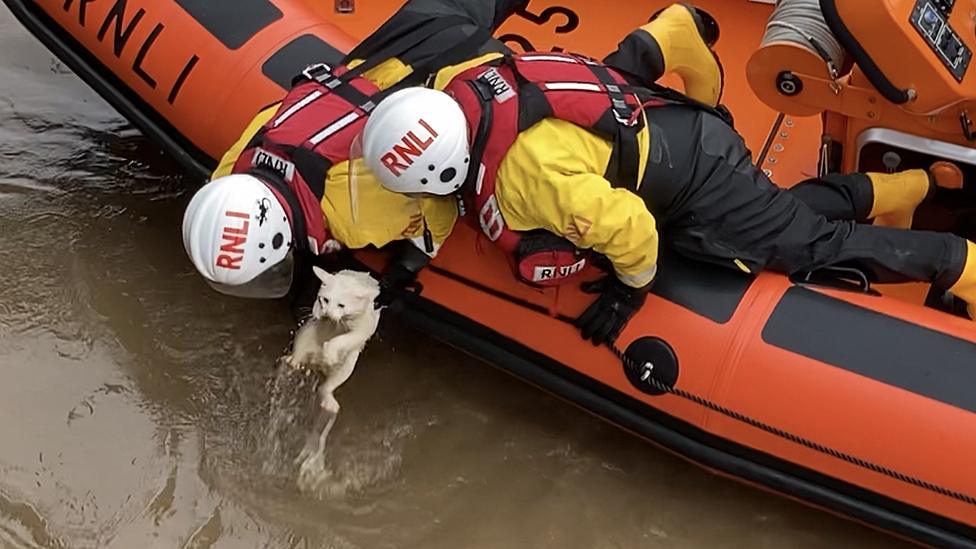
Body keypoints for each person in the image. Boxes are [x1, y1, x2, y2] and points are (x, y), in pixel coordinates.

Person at [359, 3, 976, 346]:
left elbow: (631, 229)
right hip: (635, 110)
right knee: (774, 214)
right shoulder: (455, 86)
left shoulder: (526, 187)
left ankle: (960, 262)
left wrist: (632, 291)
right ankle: (902, 187)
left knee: (807, 245)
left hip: (697, 172)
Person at [181, 0, 528, 311]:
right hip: (408, 31)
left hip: (457, 67)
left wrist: (407, 265)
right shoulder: (237, 167)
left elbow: (436, 204)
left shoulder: (352, 218)